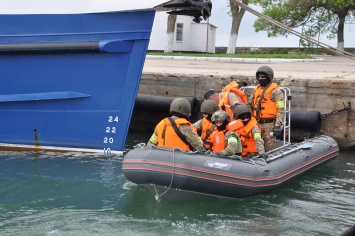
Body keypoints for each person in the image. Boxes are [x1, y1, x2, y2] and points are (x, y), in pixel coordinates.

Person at [250, 66, 285, 152]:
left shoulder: (275, 91)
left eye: (263, 77)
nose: (260, 78)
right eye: (259, 77)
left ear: (269, 77)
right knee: (256, 144)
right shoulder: (256, 89)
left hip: (269, 124)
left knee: (268, 146)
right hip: (256, 122)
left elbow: (281, 109)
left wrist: (277, 125)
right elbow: (250, 104)